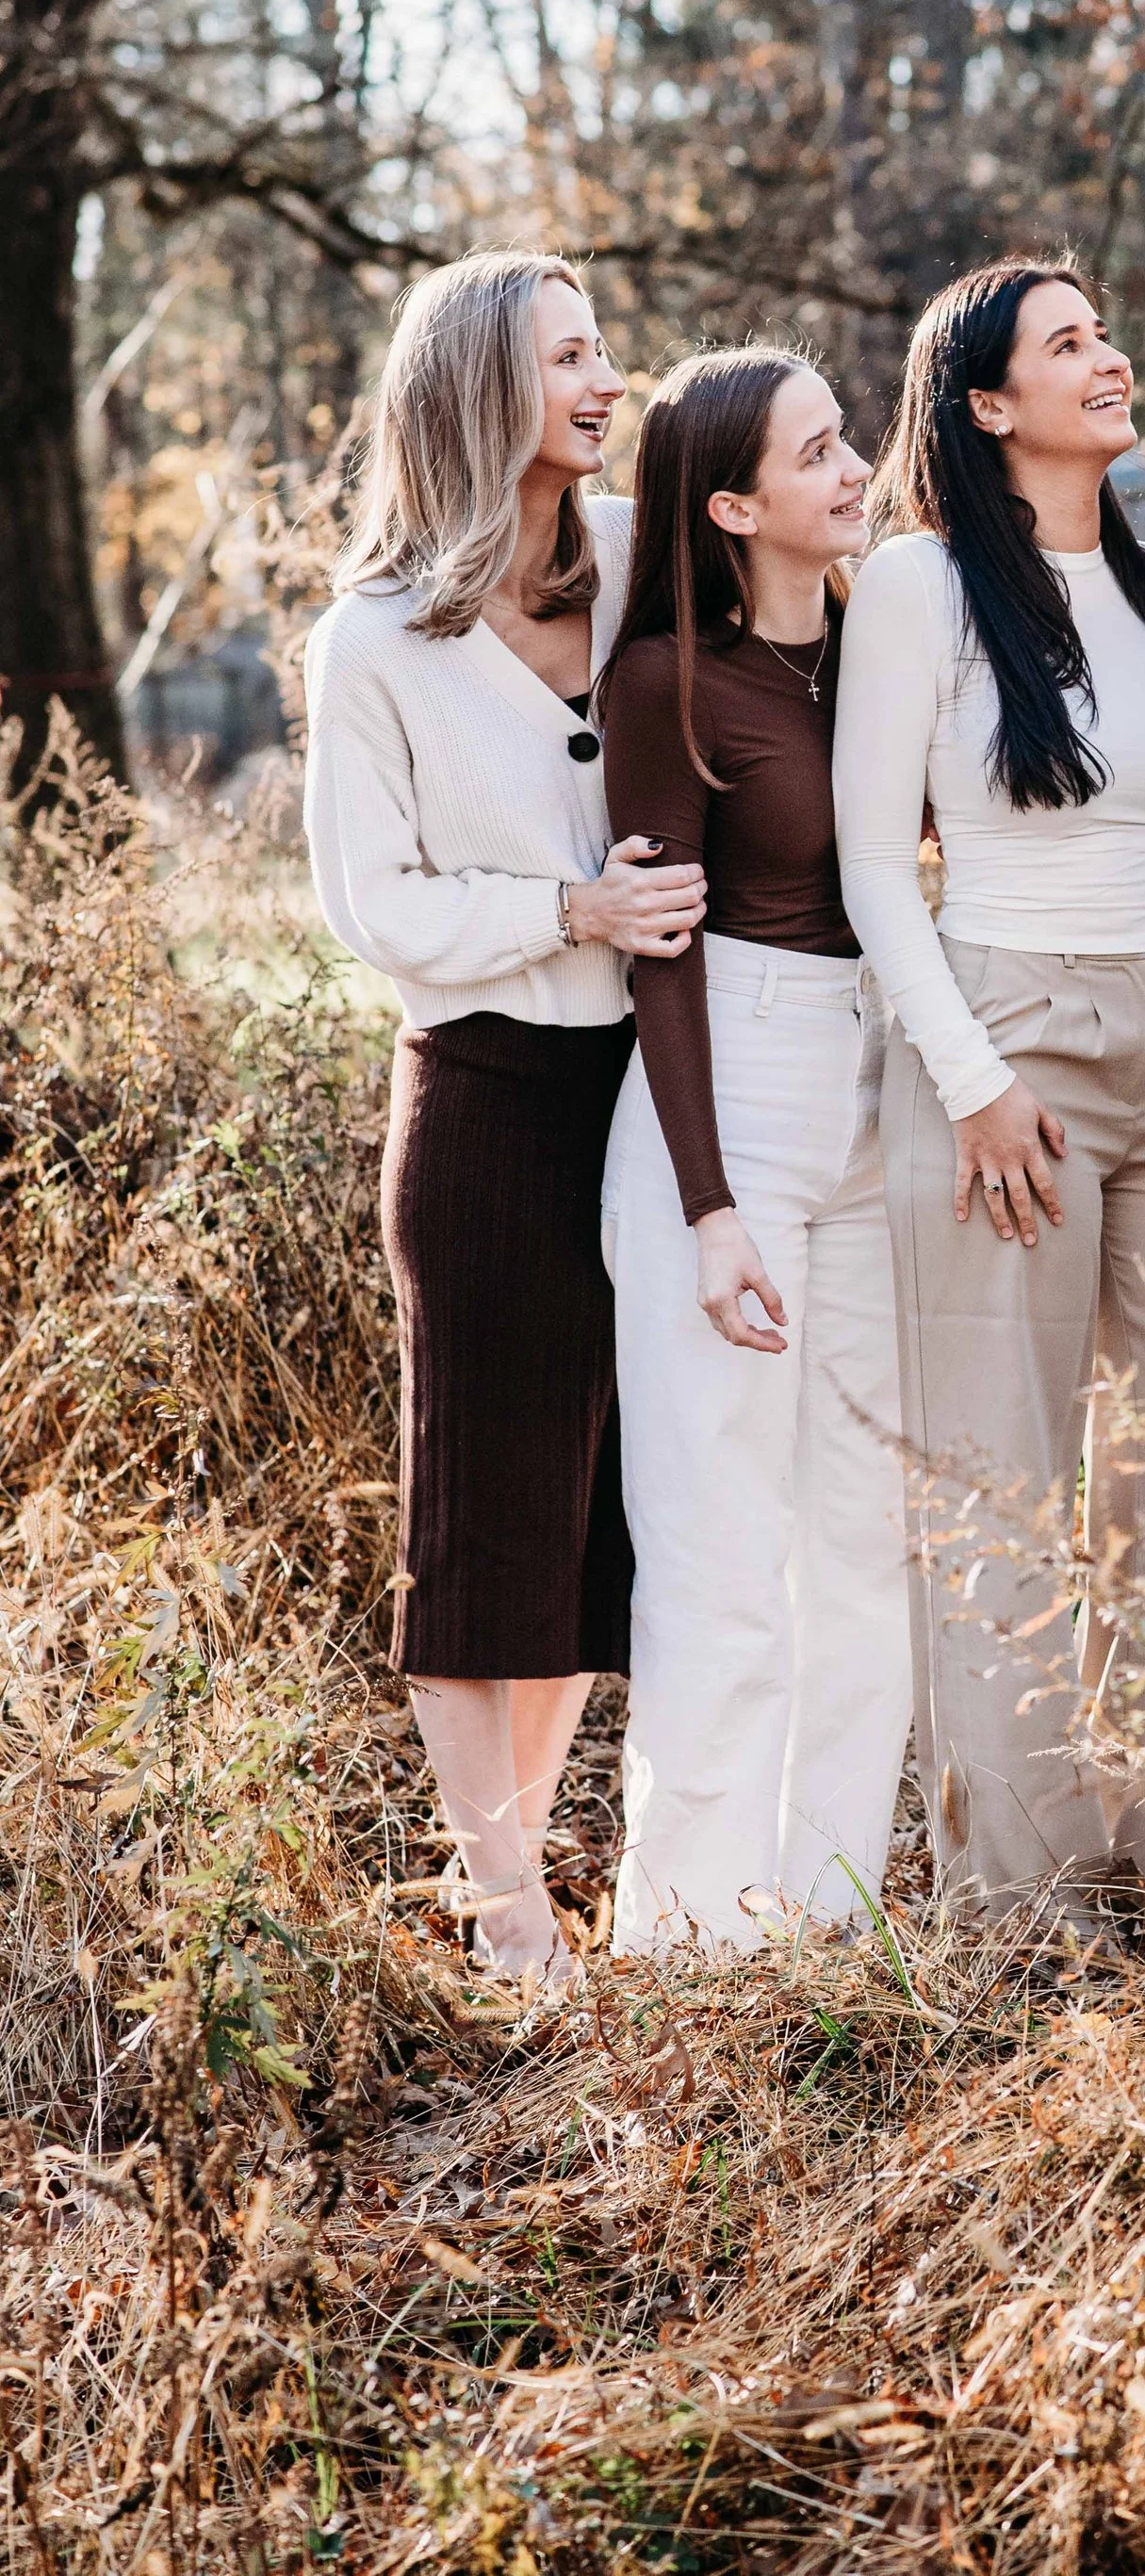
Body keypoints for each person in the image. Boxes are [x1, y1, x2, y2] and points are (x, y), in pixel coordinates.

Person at [303, 249, 706, 1984]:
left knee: (594, 1520)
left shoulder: (633, 567)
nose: (606, 383)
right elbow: (371, 906)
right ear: (480, 392)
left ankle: (513, 1871)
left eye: (605, 352)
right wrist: (569, 915)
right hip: (486, 1100)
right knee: (485, 1513)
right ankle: (507, 1909)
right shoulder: (376, 636)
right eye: (569, 358)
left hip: (659, 1093)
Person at [833, 262, 1145, 1932]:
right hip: (1006, 1037)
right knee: (1004, 1483)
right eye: (1065, 342)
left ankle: (1135, 1880)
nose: (1110, 355)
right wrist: (975, 1079)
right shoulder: (920, 587)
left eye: (1105, 332)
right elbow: (875, 862)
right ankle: (1016, 1919)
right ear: (986, 402)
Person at [596, 347, 908, 1952]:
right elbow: (663, 950)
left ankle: (832, 1913)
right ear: (731, 505)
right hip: (731, 1090)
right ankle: (696, 1935)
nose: (854, 468)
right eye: (815, 454)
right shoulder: (666, 680)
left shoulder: (870, 648)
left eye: (846, 439)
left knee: (862, 1536)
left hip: (880, 1089)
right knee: (722, 1536)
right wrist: (709, 1203)